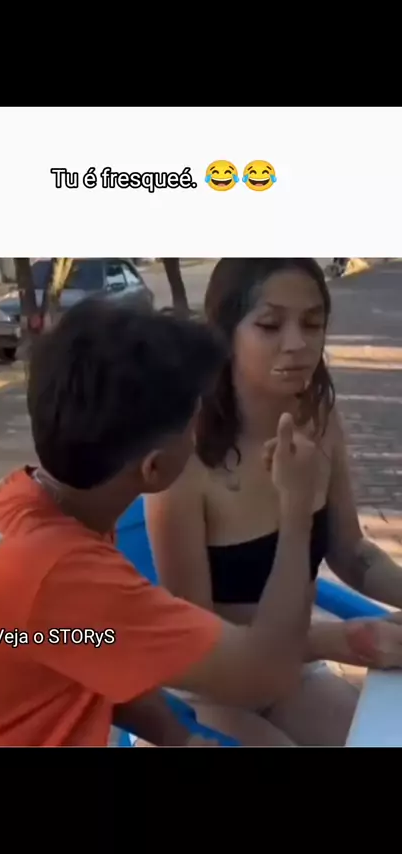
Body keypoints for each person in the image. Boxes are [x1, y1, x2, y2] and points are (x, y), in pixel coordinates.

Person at [0, 297, 317, 747]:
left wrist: (178, 739)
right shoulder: (60, 570)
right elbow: (267, 672)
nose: (200, 435)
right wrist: (296, 507)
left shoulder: (17, 504)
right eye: (194, 424)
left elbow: (89, 644)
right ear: (154, 468)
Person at [145, 258, 402, 747]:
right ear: (225, 333)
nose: (297, 343)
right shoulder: (184, 459)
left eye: (313, 323)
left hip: (290, 674)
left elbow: (351, 551)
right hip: (210, 691)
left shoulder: (319, 419)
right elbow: (199, 640)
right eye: (269, 324)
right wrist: (348, 640)